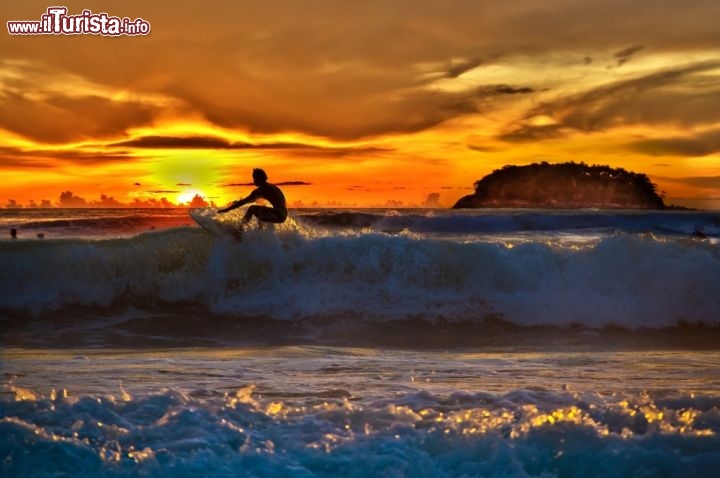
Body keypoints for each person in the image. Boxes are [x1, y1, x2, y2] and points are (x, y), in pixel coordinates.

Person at [217, 168, 288, 224]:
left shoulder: (261, 189)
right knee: (261, 210)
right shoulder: (270, 186)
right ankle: (261, 234)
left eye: (254, 179)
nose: (253, 181)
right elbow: (251, 200)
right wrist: (239, 202)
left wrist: (227, 209)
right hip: (283, 215)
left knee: (252, 209)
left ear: (258, 179)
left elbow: (245, 201)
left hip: (278, 214)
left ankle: (240, 231)